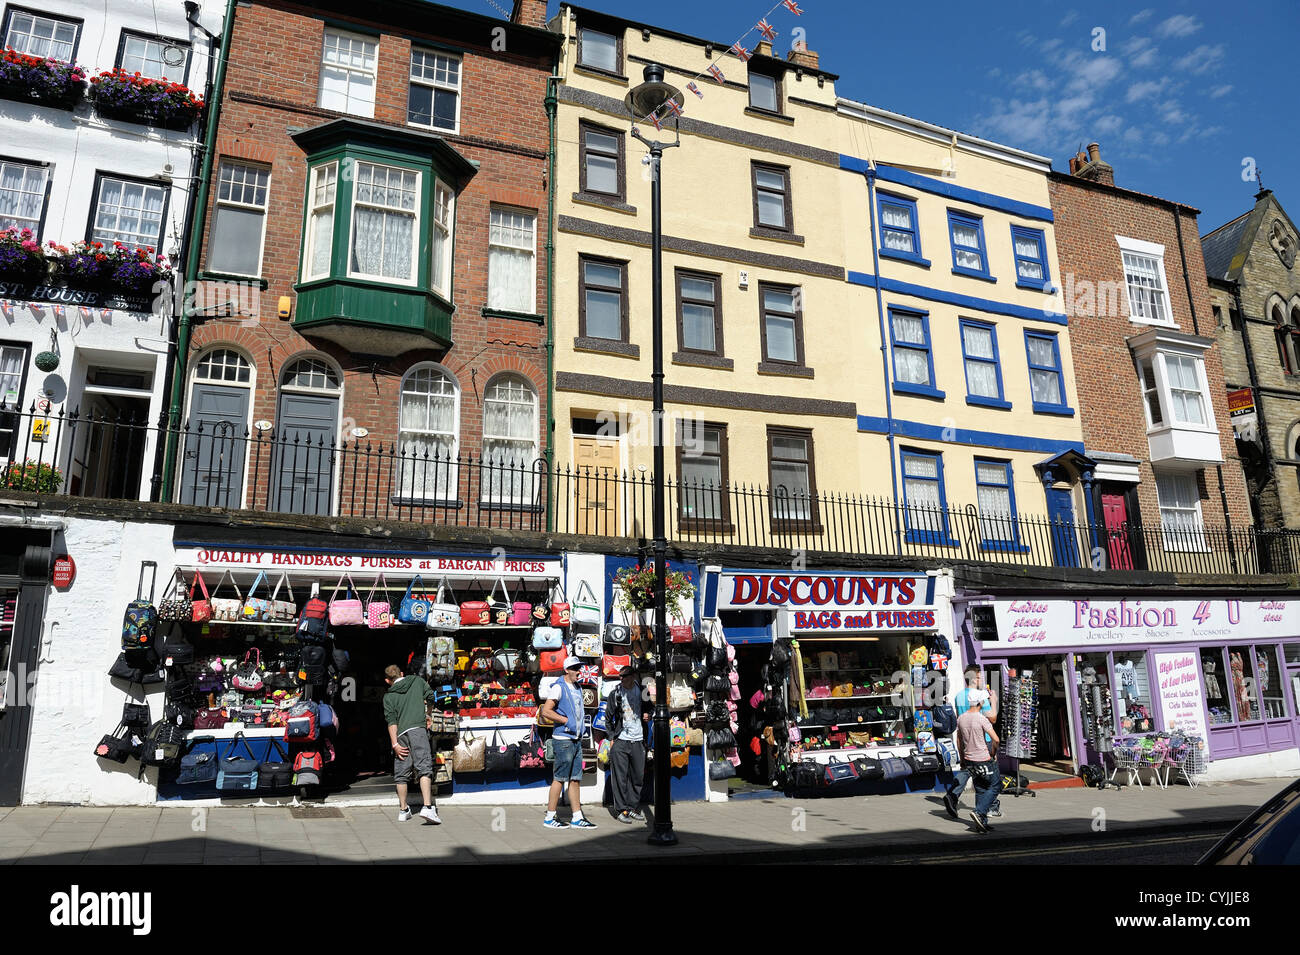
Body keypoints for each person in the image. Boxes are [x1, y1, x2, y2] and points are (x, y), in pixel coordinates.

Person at [540, 657, 596, 829]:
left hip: (576, 739)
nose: (579, 671)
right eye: (575, 668)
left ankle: (577, 817)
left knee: (575, 779)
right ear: (567, 670)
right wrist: (565, 721)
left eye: (579, 668)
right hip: (563, 740)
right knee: (560, 778)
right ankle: (550, 817)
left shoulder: (577, 687)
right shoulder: (559, 687)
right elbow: (546, 711)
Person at [383, 664, 440, 824]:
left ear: (388, 680)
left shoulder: (388, 696)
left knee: (401, 772)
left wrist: (394, 744)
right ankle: (428, 808)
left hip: (400, 734)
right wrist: (428, 714)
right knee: (424, 767)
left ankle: (403, 810)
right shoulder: (416, 681)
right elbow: (431, 697)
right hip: (418, 729)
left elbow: (391, 721)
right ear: (402, 673)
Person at [943, 667, 1002, 819]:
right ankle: (988, 808)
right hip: (984, 740)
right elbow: (992, 718)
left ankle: (976, 809)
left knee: (974, 774)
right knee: (989, 777)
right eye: (980, 677)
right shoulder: (979, 697)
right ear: (974, 679)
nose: (982, 680)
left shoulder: (958, 696)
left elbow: (959, 718)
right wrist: (993, 701)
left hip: (967, 738)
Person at [604, 665, 647, 823]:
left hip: (638, 739)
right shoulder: (615, 694)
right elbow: (607, 719)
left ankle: (632, 808)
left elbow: (650, 709)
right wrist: (611, 738)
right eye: (620, 676)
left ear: (633, 676)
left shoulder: (643, 691)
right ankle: (622, 810)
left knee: (638, 777)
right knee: (620, 778)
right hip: (621, 740)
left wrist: (647, 715)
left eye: (625, 676)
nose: (621, 679)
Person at [955, 688, 1001, 833]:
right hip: (983, 758)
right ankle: (979, 812)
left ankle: (981, 824)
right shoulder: (981, 718)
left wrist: (962, 759)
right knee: (995, 785)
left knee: (980, 789)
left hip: (969, 760)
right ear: (980, 702)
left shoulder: (961, 718)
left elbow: (959, 741)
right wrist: (992, 753)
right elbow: (996, 739)